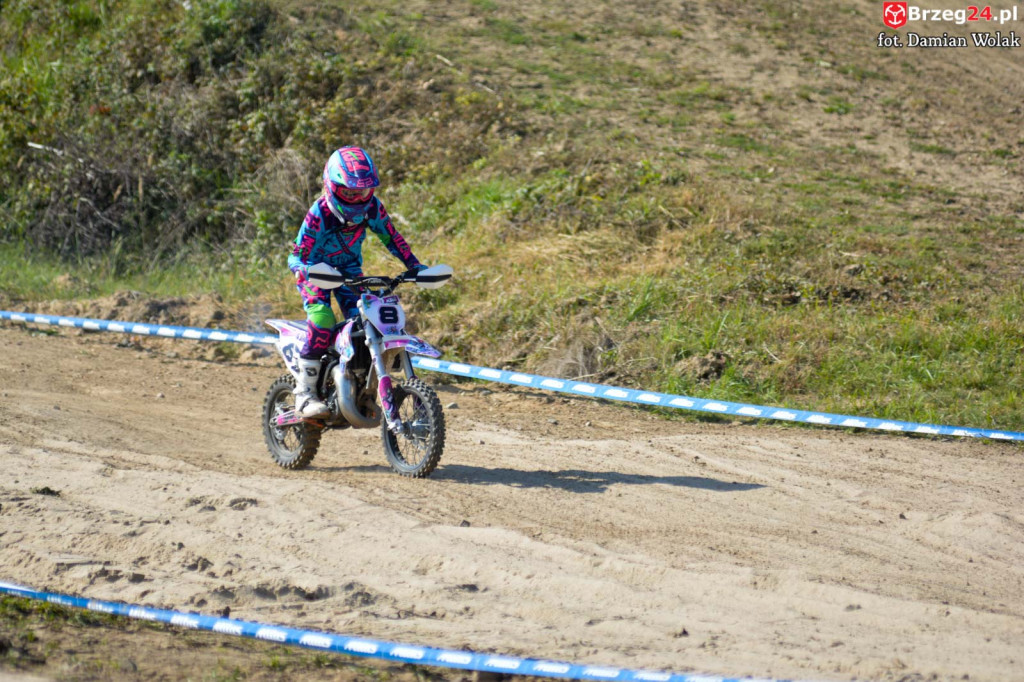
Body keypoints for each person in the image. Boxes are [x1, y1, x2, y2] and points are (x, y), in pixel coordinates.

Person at [287, 146, 425, 417]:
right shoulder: (320, 213)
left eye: (362, 192)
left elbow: (391, 237)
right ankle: (305, 394)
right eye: (349, 192)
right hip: (317, 272)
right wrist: (302, 269)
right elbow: (297, 255)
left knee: (366, 320)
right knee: (322, 319)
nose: (357, 198)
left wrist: (414, 266)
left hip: (349, 272)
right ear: (332, 185)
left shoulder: (372, 207)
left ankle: (356, 377)